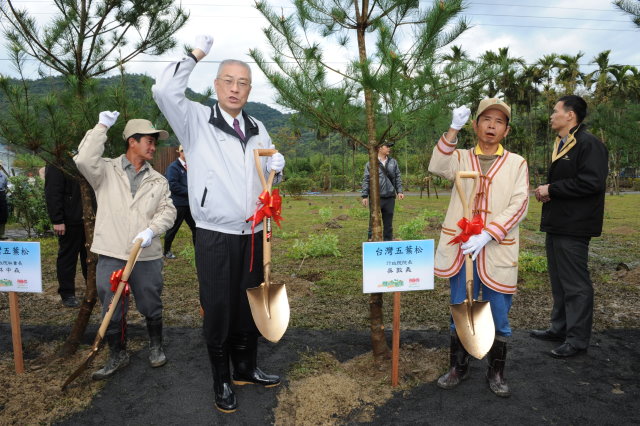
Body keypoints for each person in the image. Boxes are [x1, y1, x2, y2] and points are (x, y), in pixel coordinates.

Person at [153, 35, 286, 413]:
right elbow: (163, 89)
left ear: (249, 89)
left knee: (249, 304)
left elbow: (267, 175)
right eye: (228, 80)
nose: (235, 88)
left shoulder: (259, 126)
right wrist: (196, 54)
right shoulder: (195, 119)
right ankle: (221, 378)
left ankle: (245, 367)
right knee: (218, 306)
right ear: (216, 85)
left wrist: (279, 167)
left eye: (243, 82)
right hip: (215, 234)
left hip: (254, 234)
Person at [428, 98, 529, 398]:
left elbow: (520, 203)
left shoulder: (516, 163)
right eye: (486, 120)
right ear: (475, 125)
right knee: (460, 308)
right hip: (462, 250)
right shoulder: (459, 158)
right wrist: (452, 129)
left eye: (499, 122)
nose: (492, 126)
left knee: (499, 313)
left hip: (497, 249)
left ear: (506, 131)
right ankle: (459, 366)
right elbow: (437, 165)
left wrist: (488, 233)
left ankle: (496, 371)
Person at [74, 111, 176, 380]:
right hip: (111, 252)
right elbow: (83, 158)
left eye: (155, 143)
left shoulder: (159, 180)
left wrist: (151, 231)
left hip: (146, 255)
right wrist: (102, 126)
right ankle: (117, 353)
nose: (153, 147)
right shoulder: (106, 171)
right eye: (149, 141)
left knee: (151, 302)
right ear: (132, 141)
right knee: (111, 306)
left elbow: (168, 211)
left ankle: (155, 345)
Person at [530, 95, 608, 358]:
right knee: (559, 281)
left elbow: (591, 182)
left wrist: (552, 188)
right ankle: (559, 328)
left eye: (555, 111)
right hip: (558, 223)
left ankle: (576, 340)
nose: (551, 115)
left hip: (575, 226)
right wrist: (550, 192)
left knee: (575, 284)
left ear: (570, 115)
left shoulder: (589, 144)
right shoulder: (563, 143)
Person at [44, 164, 89, 308]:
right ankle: (67, 293)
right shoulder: (57, 161)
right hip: (69, 220)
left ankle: (93, 288)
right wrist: (57, 219)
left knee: (90, 258)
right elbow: (53, 192)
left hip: (89, 219)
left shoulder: (86, 157)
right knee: (68, 258)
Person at [361, 141, 404, 241]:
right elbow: (366, 179)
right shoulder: (371, 163)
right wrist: (364, 196)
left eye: (390, 146)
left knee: (388, 223)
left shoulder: (393, 162)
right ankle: (371, 242)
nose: (389, 148)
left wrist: (400, 191)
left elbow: (397, 177)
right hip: (376, 198)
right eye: (387, 146)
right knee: (373, 221)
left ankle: (387, 242)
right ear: (380, 148)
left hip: (389, 197)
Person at [163, 145, 196, 259]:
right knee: (173, 228)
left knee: (196, 227)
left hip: (189, 204)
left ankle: (199, 250)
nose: (186, 153)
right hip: (178, 204)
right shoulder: (173, 167)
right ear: (179, 152)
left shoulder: (191, 167)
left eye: (187, 151)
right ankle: (166, 251)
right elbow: (172, 185)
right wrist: (191, 191)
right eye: (183, 151)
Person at [0, 169, 8, 240]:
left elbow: (6, 186)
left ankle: (2, 233)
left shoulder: (4, 176)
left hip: (1, 194)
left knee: (3, 214)